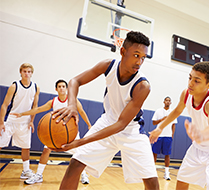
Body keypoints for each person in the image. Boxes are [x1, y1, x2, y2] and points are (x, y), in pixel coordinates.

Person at [50, 31, 159, 190]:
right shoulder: (108, 66)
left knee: (151, 181)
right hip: (107, 121)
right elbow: (74, 81)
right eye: (136, 55)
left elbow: (121, 124)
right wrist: (72, 104)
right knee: (75, 165)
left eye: (143, 57)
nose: (140, 61)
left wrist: (80, 142)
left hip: (131, 131)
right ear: (123, 51)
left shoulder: (143, 86)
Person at [149, 61, 209, 190]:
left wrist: (202, 135)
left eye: (197, 81)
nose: (190, 83)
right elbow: (177, 111)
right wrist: (160, 127)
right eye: (190, 78)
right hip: (199, 146)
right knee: (183, 178)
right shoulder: (186, 94)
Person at [11, 79, 92, 185]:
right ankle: (39, 175)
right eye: (59, 87)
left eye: (63, 86)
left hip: (71, 132)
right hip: (55, 132)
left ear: (67, 89)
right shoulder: (53, 101)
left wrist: (89, 125)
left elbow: (82, 112)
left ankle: (83, 174)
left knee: (79, 153)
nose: (62, 88)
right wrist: (22, 114)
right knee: (46, 151)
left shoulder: (73, 100)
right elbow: (38, 109)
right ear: (56, 89)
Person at [0, 63, 40, 179]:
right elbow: (4, 105)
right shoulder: (14, 86)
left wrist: (32, 121)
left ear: (32, 73)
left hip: (25, 121)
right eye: (24, 71)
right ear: (20, 72)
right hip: (11, 119)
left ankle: (26, 171)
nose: (27, 74)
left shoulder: (36, 87)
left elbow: (35, 106)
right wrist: (1, 122)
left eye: (29, 71)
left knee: (26, 147)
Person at [151, 96, 177, 180]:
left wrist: (172, 134)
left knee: (167, 154)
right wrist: (161, 120)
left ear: (171, 103)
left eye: (169, 100)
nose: (168, 102)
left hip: (168, 136)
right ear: (164, 102)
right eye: (166, 100)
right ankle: (152, 172)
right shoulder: (158, 111)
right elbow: (154, 122)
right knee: (154, 153)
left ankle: (166, 173)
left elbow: (173, 125)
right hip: (158, 136)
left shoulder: (173, 112)